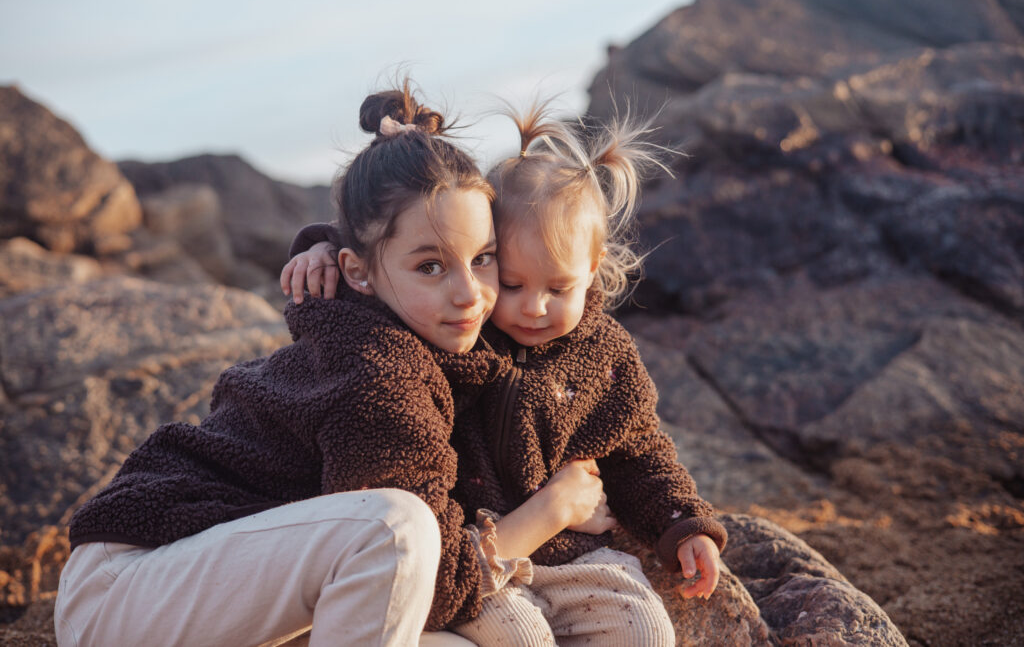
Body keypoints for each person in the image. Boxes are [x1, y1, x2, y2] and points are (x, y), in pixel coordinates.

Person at [55, 85, 612, 647]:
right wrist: (553, 508)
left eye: (483, 258)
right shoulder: (376, 371)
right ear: (358, 272)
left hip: (246, 588)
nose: (470, 294)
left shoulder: (427, 322)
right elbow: (435, 574)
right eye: (431, 266)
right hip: (129, 590)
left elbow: (487, 258)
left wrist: (327, 247)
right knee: (398, 529)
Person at [284, 102, 727, 646]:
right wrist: (322, 246)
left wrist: (682, 524)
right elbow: (393, 261)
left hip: (571, 553)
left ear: (592, 269)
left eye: (558, 289)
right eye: (512, 283)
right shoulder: (457, 331)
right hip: (477, 550)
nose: (533, 308)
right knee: (524, 640)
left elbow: (640, 451)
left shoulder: (605, 354)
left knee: (645, 631)